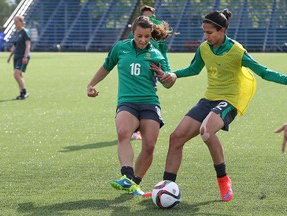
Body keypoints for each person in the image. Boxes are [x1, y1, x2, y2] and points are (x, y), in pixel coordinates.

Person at [150, 8, 287, 202]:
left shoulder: (236, 51)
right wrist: (173, 74)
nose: (206, 36)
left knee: (206, 131)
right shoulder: (204, 48)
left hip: (230, 100)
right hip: (209, 99)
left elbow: (264, 72)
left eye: (210, 32)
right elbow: (193, 69)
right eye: (204, 32)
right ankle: (166, 187)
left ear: (222, 30)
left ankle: (223, 179)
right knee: (176, 138)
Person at [87, 16, 176, 196]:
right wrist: (91, 84)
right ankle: (127, 175)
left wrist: (165, 76)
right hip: (127, 102)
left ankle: (134, 182)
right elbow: (106, 66)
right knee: (123, 133)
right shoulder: (120, 48)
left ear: (151, 35)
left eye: (147, 36)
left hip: (150, 102)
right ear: (132, 33)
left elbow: (168, 83)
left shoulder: (157, 53)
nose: (143, 40)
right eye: (139, 36)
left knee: (149, 146)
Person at [130, 5, 173, 141]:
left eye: (149, 15)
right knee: (132, 95)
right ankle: (136, 127)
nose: (147, 17)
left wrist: (167, 70)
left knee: (147, 93)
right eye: (145, 15)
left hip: (151, 67)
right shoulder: (140, 28)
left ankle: (143, 126)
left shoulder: (156, 31)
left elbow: (163, 52)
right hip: (137, 66)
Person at [7, 15, 31, 100]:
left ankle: (25, 92)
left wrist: (25, 56)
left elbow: (28, 45)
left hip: (22, 56)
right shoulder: (17, 33)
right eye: (14, 22)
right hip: (16, 57)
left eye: (17, 22)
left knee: (16, 74)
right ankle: (21, 94)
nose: (15, 24)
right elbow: (14, 46)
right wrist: (10, 56)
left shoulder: (25, 32)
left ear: (21, 22)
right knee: (19, 75)